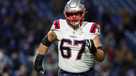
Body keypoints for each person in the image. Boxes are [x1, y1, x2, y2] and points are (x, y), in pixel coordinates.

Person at [33, 0, 105, 76]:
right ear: (65, 14)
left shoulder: (91, 28)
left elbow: (101, 57)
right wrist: (39, 60)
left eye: (77, 13)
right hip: (65, 73)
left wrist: (94, 50)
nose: (74, 17)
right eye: (70, 14)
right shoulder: (59, 25)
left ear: (83, 13)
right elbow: (46, 42)